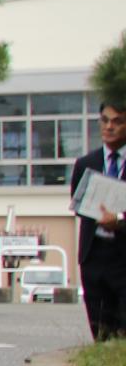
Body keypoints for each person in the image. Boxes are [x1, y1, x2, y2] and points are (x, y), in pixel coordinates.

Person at [71, 101, 126, 341]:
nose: (109, 127)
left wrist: (120, 219)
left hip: (123, 257)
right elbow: (79, 205)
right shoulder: (86, 164)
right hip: (94, 257)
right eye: (105, 120)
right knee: (100, 331)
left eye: (117, 121)